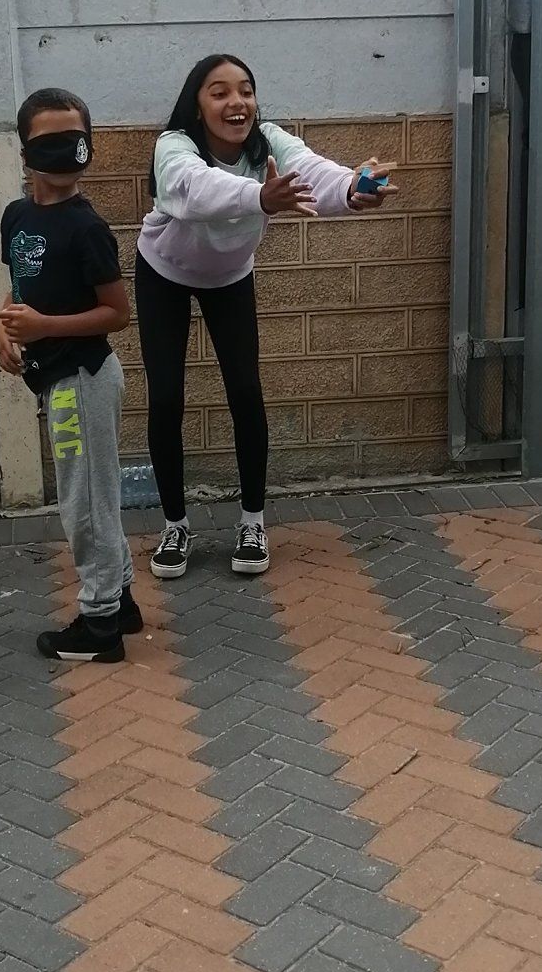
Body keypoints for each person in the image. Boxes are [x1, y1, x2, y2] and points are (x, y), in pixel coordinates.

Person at [137, 53, 396, 579]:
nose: (237, 102)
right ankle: (174, 524)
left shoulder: (268, 142)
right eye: (220, 92)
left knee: (245, 392)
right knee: (166, 397)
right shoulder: (175, 146)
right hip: (164, 270)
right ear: (197, 102)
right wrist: (259, 195)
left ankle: (252, 522)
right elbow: (194, 191)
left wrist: (352, 187)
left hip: (230, 276)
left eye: (246, 90)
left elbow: (313, 170)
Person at [0, 87, 140, 664]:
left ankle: (99, 626)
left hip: (83, 378)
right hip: (56, 377)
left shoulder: (86, 228)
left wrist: (46, 328)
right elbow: (20, 290)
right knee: (94, 495)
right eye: (49, 142)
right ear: (25, 150)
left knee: (85, 503)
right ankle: (119, 601)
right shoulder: (17, 215)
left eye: (73, 140)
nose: (64, 153)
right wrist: (3, 330)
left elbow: (117, 314)